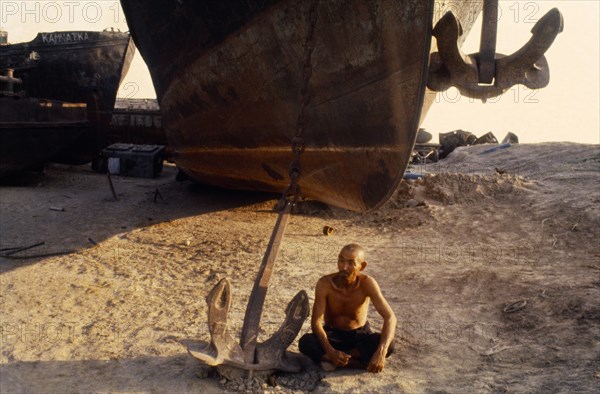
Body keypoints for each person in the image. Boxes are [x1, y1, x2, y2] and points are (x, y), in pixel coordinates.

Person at [298, 244, 396, 373]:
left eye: (351, 263)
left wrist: (381, 352)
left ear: (362, 266)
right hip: (333, 336)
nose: (344, 267)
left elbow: (390, 317)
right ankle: (353, 362)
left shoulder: (367, 283)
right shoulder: (325, 284)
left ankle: (336, 360)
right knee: (306, 342)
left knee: (389, 344)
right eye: (341, 260)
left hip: (358, 337)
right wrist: (330, 351)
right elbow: (316, 322)